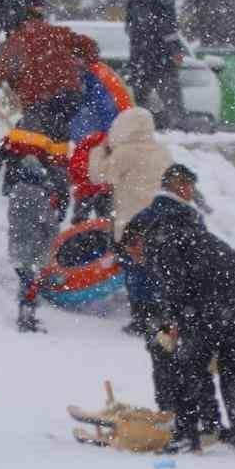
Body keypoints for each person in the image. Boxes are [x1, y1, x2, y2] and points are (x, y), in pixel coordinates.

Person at [123, 165, 233, 452]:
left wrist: (173, 318)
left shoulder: (157, 229)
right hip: (213, 300)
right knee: (213, 364)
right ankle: (212, 423)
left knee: (181, 363)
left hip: (190, 304)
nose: (135, 260)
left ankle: (182, 426)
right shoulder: (185, 221)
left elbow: (175, 281)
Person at [88, 106, 172, 331]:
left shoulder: (125, 152)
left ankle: (142, 318)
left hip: (132, 223)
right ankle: (162, 314)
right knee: (159, 269)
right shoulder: (161, 151)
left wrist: (100, 151)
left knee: (136, 270)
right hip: (161, 220)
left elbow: (97, 175)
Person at [0, 131, 69, 332]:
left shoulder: (15, 195)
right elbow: (49, 222)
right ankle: (26, 317)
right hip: (34, 248)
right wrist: (59, 213)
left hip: (17, 247)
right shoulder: (40, 192)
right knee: (31, 282)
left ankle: (25, 313)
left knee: (27, 280)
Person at [0, 6, 97, 141]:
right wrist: (81, 66)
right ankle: (58, 154)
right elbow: (90, 46)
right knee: (57, 132)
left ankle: (40, 157)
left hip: (38, 99)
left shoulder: (15, 40)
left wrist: (12, 86)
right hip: (71, 96)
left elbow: (0, 73)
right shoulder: (57, 32)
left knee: (28, 140)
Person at [124, 0, 185, 129]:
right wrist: (175, 49)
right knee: (171, 102)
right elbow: (168, 28)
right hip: (162, 59)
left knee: (142, 103)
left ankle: (146, 128)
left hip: (139, 58)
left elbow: (130, 26)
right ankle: (173, 130)